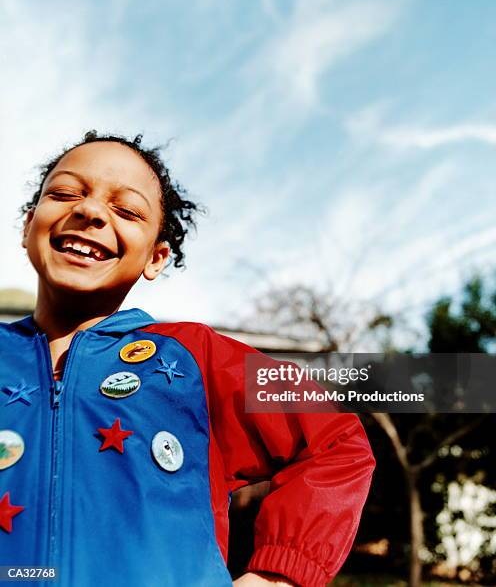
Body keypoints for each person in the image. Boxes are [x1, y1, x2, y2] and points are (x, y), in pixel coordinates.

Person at [0, 131, 375, 587]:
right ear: (27, 225)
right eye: (65, 193)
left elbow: (336, 440)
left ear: (156, 258)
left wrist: (278, 575)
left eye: (127, 210)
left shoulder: (198, 357)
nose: (90, 211)